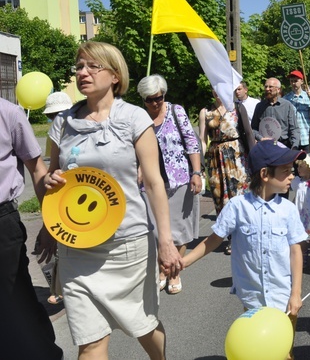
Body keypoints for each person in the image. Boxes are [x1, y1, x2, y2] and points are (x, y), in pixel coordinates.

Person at [45, 41, 182, 359]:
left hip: (127, 245)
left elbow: (153, 181)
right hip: (78, 248)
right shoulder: (63, 123)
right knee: (90, 340)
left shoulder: (134, 119)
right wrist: (51, 184)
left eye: (93, 66)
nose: (83, 72)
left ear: (115, 75)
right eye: (79, 66)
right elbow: (52, 178)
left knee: (143, 326)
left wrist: (166, 240)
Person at [182, 140, 307, 359]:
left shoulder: (288, 210)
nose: (292, 176)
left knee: (283, 353)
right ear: (265, 174)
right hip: (252, 298)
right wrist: (185, 261)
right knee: (256, 351)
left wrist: (296, 294)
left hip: (284, 297)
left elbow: (296, 250)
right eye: (286, 171)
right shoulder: (237, 207)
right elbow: (212, 241)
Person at [0, 97, 64, 359]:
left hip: (1, 224)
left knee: (16, 303)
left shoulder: (8, 113)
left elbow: (38, 170)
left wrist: (51, 225)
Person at [137, 74, 203, 295]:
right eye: (150, 99)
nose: (156, 103)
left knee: (179, 231)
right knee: (156, 231)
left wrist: (196, 172)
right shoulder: (138, 118)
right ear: (142, 99)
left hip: (179, 179)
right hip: (150, 182)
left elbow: (191, 142)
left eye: (159, 97)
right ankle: (162, 268)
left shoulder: (176, 111)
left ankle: (174, 271)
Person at [199, 90, 254, 254]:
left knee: (239, 196)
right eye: (214, 88)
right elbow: (202, 139)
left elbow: (249, 132)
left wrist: (256, 158)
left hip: (237, 156)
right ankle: (231, 237)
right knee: (220, 198)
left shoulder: (237, 108)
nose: (217, 92)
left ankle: (244, 235)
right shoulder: (205, 111)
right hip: (216, 159)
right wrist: (201, 164)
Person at [41, 91, 74, 305]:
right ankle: (58, 288)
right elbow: (49, 167)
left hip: (80, 194)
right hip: (61, 195)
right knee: (59, 244)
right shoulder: (52, 135)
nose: (57, 119)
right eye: (52, 116)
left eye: (60, 113)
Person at [251, 78, 299, 148]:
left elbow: (294, 128)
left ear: (278, 90)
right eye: (266, 86)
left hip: (283, 146)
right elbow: (253, 129)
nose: (267, 89)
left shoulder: (287, 105)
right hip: (265, 146)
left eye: (270, 87)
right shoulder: (259, 106)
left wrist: (295, 146)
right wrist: (260, 138)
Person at [284, 70, 310, 152]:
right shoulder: (285, 99)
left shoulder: (308, 96)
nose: (293, 83)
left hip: (306, 137)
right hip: (292, 138)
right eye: (291, 81)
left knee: (308, 163)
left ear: (302, 81)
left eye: (296, 81)